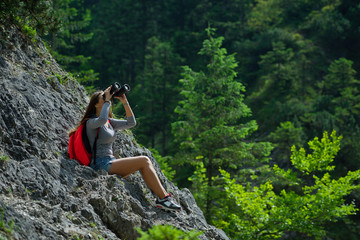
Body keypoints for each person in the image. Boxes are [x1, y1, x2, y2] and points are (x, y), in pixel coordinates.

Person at [69, 86, 181, 211]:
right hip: (100, 164)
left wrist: (124, 101)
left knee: (144, 162)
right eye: (103, 97)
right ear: (95, 104)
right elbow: (102, 119)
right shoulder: (91, 123)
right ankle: (163, 199)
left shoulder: (109, 122)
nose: (108, 98)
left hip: (109, 162)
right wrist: (107, 100)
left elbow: (131, 123)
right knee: (144, 160)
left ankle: (163, 198)